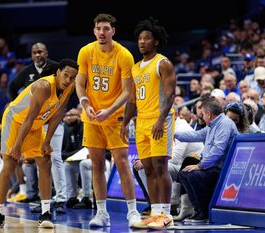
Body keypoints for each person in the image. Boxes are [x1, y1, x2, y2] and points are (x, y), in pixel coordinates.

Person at [0, 59, 78, 229]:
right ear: (57, 72)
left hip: (35, 124)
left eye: (72, 78)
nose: (68, 80)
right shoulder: (44, 87)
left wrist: (47, 142)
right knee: (10, 163)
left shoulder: (69, 88)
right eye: (65, 75)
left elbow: (58, 115)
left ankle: (45, 212)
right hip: (15, 121)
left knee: (45, 161)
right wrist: (17, 146)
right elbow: (28, 118)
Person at [75, 13, 141, 228]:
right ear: (94, 31)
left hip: (115, 117)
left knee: (122, 162)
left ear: (113, 31)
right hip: (92, 116)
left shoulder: (124, 55)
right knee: (96, 164)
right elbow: (80, 82)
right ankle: (101, 213)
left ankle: (133, 211)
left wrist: (109, 109)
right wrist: (85, 103)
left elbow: (126, 91)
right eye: (98, 29)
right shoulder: (86, 51)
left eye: (106, 28)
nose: (102, 33)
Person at [121, 17, 176, 229]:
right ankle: (154, 213)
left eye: (147, 38)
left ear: (156, 42)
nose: (142, 42)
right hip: (141, 121)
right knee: (148, 169)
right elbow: (132, 100)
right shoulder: (135, 68)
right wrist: (125, 123)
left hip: (160, 119)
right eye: (140, 39)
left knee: (161, 167)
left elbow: (170, 95)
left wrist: (161, 119)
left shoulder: (163, 63)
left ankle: (167, 214)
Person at [9, 42, 68, 211]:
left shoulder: (58, 68)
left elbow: (68, 89)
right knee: (40, 161)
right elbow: (12, 87)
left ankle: (61, 199)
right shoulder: (27, 71)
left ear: (46, 53)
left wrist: (63, 110)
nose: (37, 55)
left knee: (55, 157)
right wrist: (17, 106)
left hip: (53, 122)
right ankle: (45, 202)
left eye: (40, 52)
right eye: (34, 52)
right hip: (36, 123)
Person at [176, 96, 238, 222]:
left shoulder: (224, 124)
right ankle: (198, 210)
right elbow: (195, 135)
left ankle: (203, 212)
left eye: (203, 113)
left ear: (209, 114)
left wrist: (200, 165)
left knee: (194, 175)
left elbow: (218, 150)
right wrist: (173, 134)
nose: (202, 116)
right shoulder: (211, 125)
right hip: (211, 167)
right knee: (183, 174)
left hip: (222, 169)